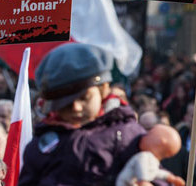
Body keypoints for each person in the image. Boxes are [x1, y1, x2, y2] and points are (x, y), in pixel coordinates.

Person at [19, 43, 147, 186]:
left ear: (103, 89)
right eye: (65, 104)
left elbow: (157, 177)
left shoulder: (126, 135)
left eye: (84, 98)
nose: (76, 108)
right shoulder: (40, 145)